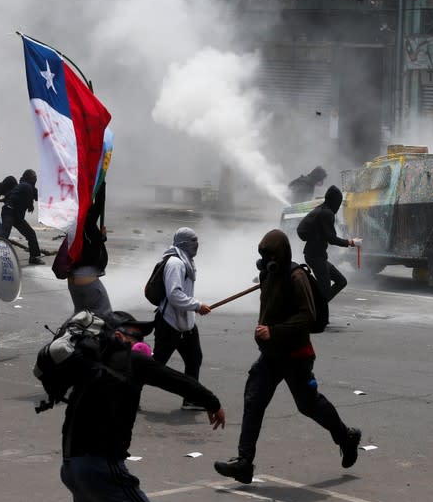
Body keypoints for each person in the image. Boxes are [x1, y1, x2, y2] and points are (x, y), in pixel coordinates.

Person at [214, 229, 361, 484]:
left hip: (295, 354)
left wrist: (274, 331)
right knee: (254, 400)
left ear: (280, 255)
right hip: (271, 355)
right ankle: (244, 463)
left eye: (270, 255)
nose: (267, 260)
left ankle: (346, 437)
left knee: (308, 404)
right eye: (263, 256)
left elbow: (308, 317)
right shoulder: (269, 274)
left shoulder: (297, 277)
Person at [60, 310, 225, 502]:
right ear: (117, 336)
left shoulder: (92, 362)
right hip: (100, 466)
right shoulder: (131, 360)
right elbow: (175, 380)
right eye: (134, 336)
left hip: (72, 465)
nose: (140, 343)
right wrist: (213, 402)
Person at [152, 227, 211, 410]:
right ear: (185, 243)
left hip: (186, 324)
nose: (196, 246)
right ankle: (129, 392)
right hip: (169, 323)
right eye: (193, 242)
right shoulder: (175, 263)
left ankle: (191, 399)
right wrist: (197, 305)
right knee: (155, 366)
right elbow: (174, 294)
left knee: (194, 359)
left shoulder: (187, 262)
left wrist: (195, 308)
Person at [301, 185, 360, 303]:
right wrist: (351, 242)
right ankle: (316, 310)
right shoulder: (327, 213)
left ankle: (315, 305)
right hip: (315, 257)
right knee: (325, 292)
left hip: (318, 257)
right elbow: (332, 239)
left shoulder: (321, 209)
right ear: (335, 202)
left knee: (341, 281)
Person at [67, 198, 112, 320]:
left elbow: (88, 245)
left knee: (80, 316)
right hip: (86, 276)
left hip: (73, 277)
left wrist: (101, 237)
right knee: (103, 315)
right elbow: (98, 204)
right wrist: (101, 185)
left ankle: (65, 337)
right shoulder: (88, 222)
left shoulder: (75, 223)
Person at [1, 169, 43, 265]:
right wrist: (30, 205)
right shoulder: (26, 186)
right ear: (28, 177)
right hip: (9, 212)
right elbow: (33, 198)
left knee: (31, 234)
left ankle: (34, 257)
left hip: (16, 215)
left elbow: (38, 196)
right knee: (4, 235)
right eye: (33, 177)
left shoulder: (26, 186)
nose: (35, 178)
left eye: (35, 177)